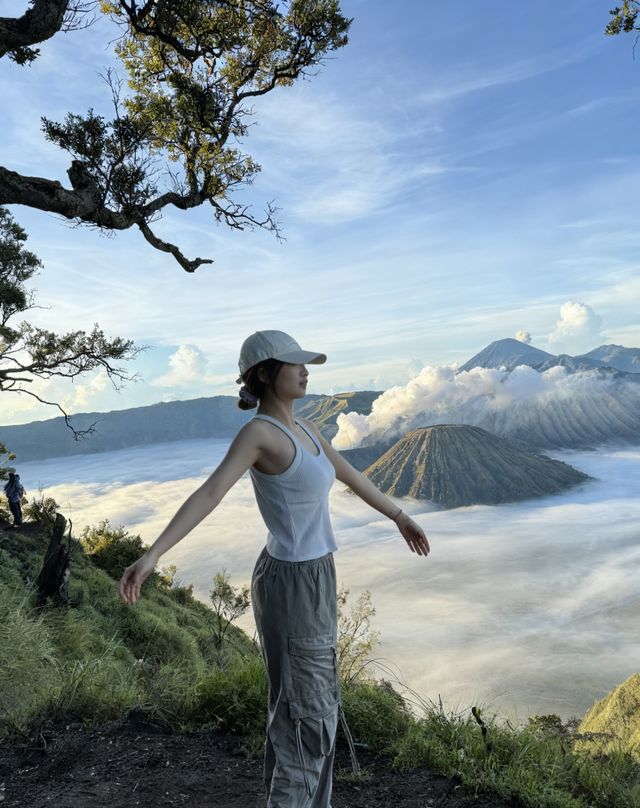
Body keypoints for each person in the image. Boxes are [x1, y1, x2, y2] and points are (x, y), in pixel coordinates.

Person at [118, 330, 430, 807]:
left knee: (313, 705)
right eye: (295, 364)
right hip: (291, 582)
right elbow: (210, 492)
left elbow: (352, 476)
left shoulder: (306, 430)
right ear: (266, 374)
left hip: (318, 572)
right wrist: (154, 553)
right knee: (307, 716)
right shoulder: (259, 434)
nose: (306, 372)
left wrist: (400, 516)